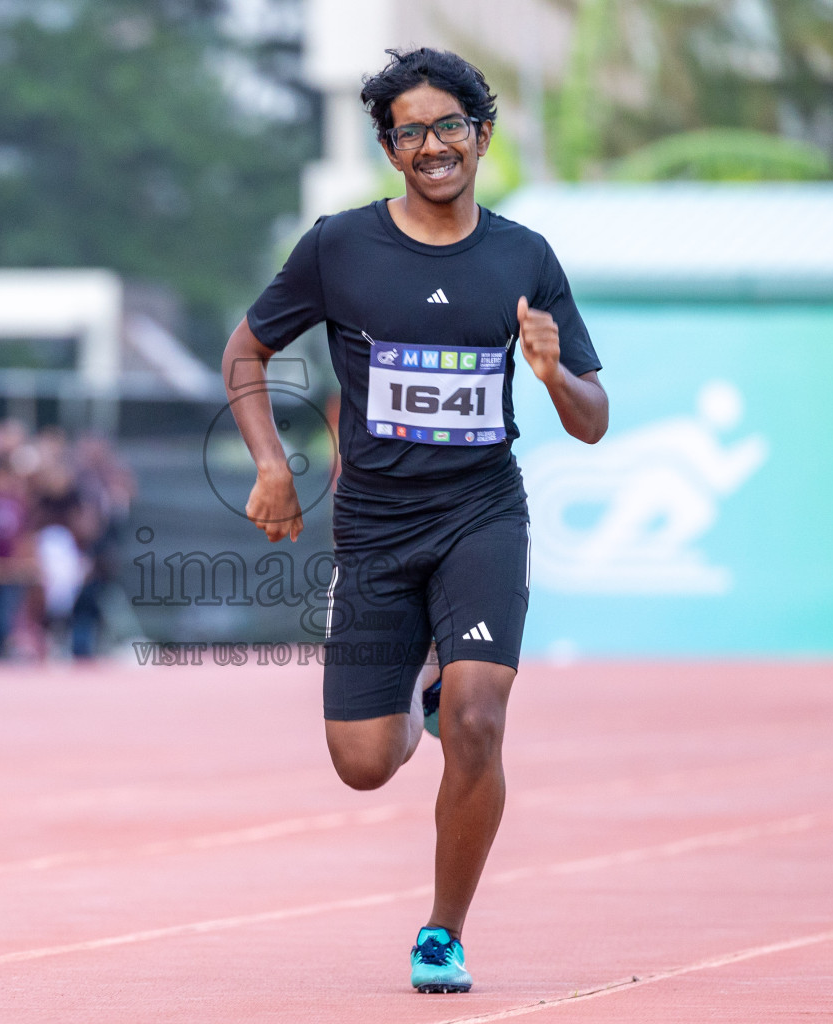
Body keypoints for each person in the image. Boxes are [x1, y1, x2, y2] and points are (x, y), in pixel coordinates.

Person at [221, 48, 609, 993]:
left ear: (481, 134)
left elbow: (594, 421)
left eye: (448, 127)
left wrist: (554, 374)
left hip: (482, 514)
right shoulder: (339, 247)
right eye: (409, 133)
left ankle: (444, 931)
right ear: (390, 149)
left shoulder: (524, 257)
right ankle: (415, 691)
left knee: (478, 720)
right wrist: (272, 465)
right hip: (377, 530)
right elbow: (246, 350)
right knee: (362, 764)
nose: (431, 146)